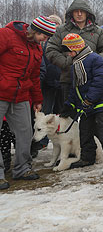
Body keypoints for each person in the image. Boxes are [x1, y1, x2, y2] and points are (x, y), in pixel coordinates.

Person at [0, 15, 57, 189]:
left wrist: (38, 99)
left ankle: (22, 168)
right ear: (35, 31)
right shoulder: (6, 35)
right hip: (1, 92)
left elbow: (34, 76)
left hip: (21, 96)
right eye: (44, 36)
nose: (44, 40)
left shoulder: (37, 49)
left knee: (25, 133)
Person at [61, 33, 103, 174]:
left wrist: (90, 99)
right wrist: (70, 104)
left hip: (101, 104)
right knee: (85, 131)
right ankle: (87, 158)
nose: (68, 54)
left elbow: (100, 81)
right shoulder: (75, 64)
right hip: (86, 106)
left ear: (77, 48)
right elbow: (75, 87)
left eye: (69, 50)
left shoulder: (96, 59)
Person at [46, 0, 103, 109]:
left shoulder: (98, 31)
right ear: (71, 13)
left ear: (87, 13)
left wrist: (95, 62)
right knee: (68, 116)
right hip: (68, 79)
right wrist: (66, 62)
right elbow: (51, 49)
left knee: (89, 118)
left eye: (82, 11)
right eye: (76, 11)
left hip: (91, 81)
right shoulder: (61, 30)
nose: (79, 14)